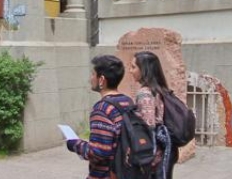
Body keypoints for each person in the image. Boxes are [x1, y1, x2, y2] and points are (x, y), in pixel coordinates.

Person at [66, 54, 134, 179]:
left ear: (101, 80)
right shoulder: (128, 101)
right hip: (126, 171)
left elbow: (99, 152)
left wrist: (75, 144)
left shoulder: (102, 109)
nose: (90, 78)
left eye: (93, 74)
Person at [129, 51, 177, 179]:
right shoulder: (160, 90)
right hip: (162, 151)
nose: (130, 71)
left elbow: (148, 126)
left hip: (152, 155)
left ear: (144, 69)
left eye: (133, 67)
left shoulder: (144, 93)